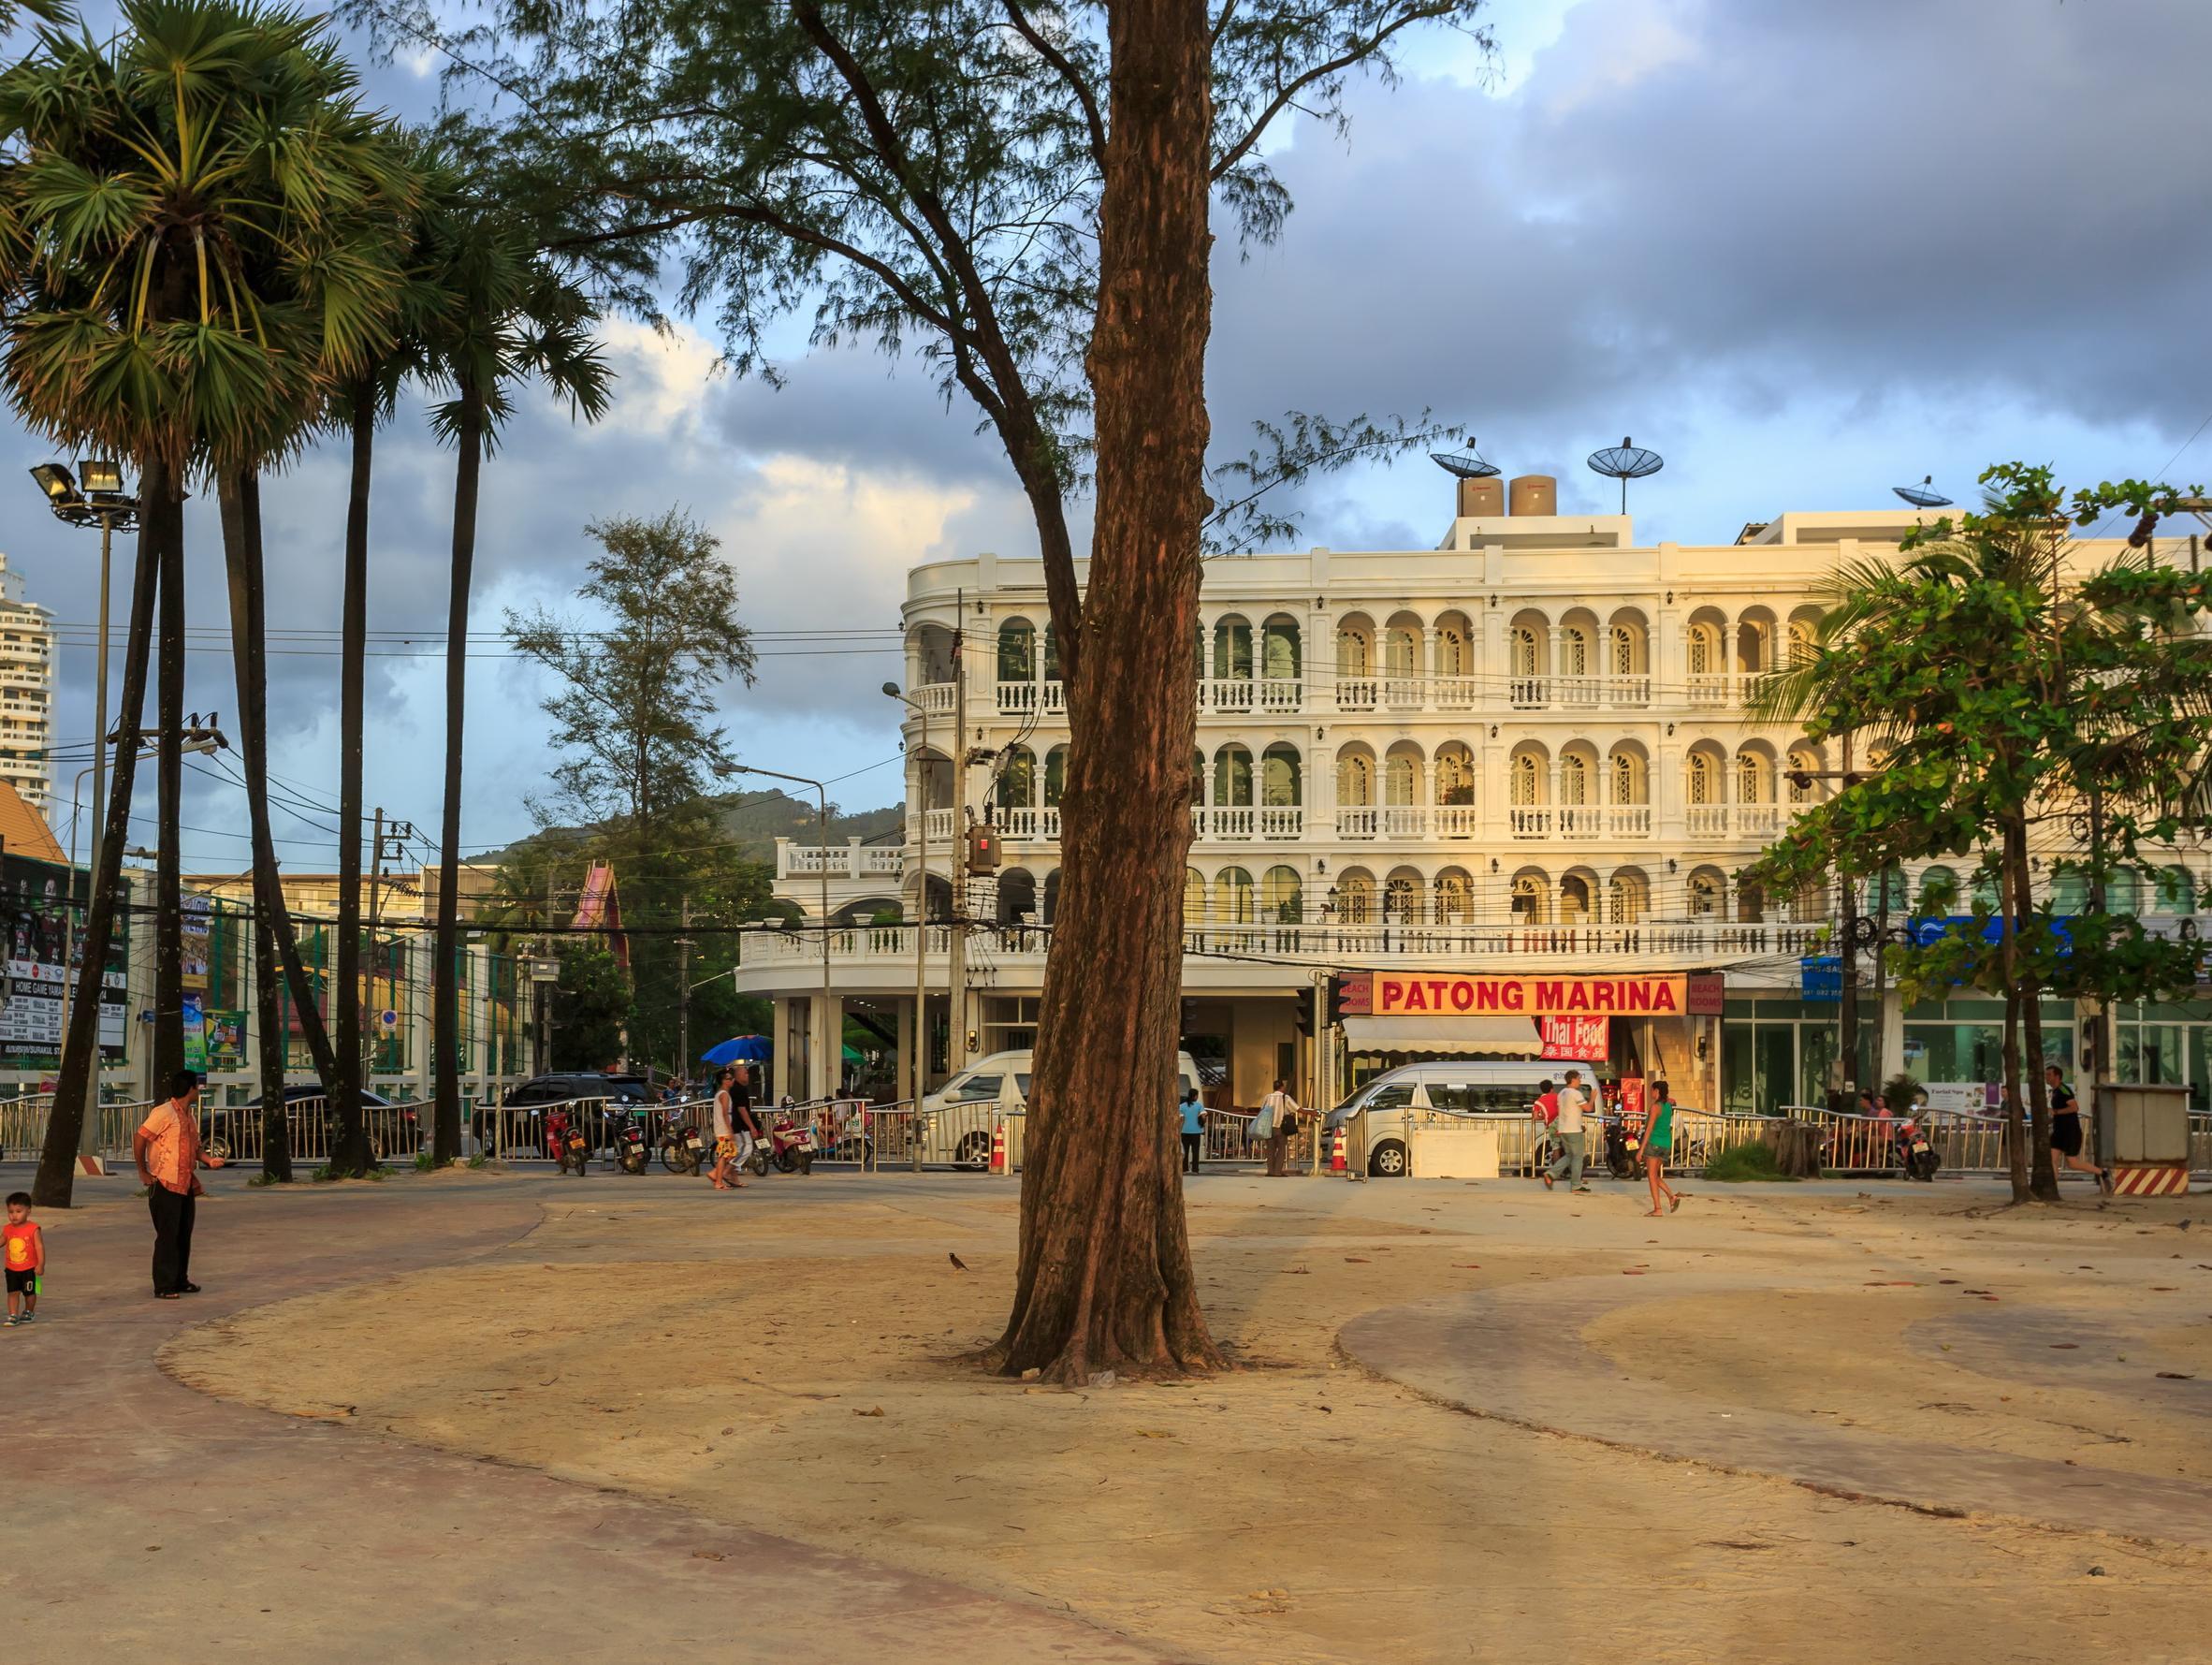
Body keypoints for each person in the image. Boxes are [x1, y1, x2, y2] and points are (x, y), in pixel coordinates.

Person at [134, 1070, 222, 1299]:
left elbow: (195, 1148)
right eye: (197, 1087)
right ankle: (163, 1285)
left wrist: (209, 1160)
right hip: (165, 1182)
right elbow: (140, 1137)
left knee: (184, 1233)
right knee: (167, 1235)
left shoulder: (189, 1116)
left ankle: (180, 1279)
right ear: (190, 1089)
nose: (199, 1091)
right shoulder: (163, 1113)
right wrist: (142, 1171)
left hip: (185, 1184)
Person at [2046, 1062, 2113, 1193]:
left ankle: (2103, 1173)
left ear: (2057, 1076)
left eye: (2049, 1075)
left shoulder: (2064, 1090)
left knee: (2072, 1162)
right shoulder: (2054, 1092)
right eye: (2045, 1075)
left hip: (2070, 1131)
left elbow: (2074, 1108)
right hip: (2058, 1131)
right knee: (2052, 1159)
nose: (2046, 1077)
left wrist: (2056, 1112)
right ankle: (2052, 1188)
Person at [1543, 1069, 1591, 1192]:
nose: (1580, 1081)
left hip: (1563, 1129)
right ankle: (1576, 1185)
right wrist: (1593, 1097)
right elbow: (1588, 1108)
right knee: (1578, 1157)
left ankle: (1551, 1174)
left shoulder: (1562, 1093)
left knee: (1570, 1155)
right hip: (1574, 1129)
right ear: (1573, 1079)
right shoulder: (1575, 1093)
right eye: (1579, 1079)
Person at [1642, 1079, 1682, 1217]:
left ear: (1657, 1091)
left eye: (1652, 1090)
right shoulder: (1668, 1106)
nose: (1650, 1092)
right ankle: (1672, 1197)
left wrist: (1641, 1150)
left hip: (1654, 1143)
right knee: (1654, 1175)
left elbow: (1649, 1129)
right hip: (1666, 1144)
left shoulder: (1656, 1107)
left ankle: (1658, 1208)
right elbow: (1671, 1101)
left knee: (1651, 1176)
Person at [4, 1190, 43, 1326]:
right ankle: (13, 1315)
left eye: (18, 1211)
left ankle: (28, 1311)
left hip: (30, 1269)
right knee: (12, 1292)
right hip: (11, 1268)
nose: (14, 1215)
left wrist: (41, 1264)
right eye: (11, 1211)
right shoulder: (7, 1229)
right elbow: (2, 1240)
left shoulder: (33, 1229)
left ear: (28, 1211)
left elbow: (39, 1247)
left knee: (29, 1293)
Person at [707, 1066, 748, 1190]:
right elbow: (725, 1113)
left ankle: (717, 1176)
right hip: (724, 1129)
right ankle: (718, 1181)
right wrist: (729, 1130)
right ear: (723, 1081)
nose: (732, 1081)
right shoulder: (724, 1094)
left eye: (732, 1078)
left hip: (723, 1128)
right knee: (724, 1156)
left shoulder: (723, 1093)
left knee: (729, 1154)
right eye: (729, 1079)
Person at [1259, 1079, 1302, 1177]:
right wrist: (1312, 1113)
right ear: (1282, 1087)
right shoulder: (1285, 1097)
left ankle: (1270, 1171)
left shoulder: (1267, 1097)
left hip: (1268, 1127)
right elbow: (1297, 1108)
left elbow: (1262, 1110)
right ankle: (1277, 1171)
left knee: (1270, 1150)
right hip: (1280, 1127)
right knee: (1281, 1150)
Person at [1529, 1078, 1558, 1179]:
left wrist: (1544, 1117)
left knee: (1556, 1149)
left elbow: (1535, 1117)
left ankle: (1556, 1172)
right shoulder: (1558, 1097)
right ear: (1552, 1089)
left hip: (1552, 1127)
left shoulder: (1538, 1102)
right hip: (1565, 1125)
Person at [1179, 1085, 1204, 1175]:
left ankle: (1184, 1168)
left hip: (1184, 1131)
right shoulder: (1199, 1106)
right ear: (1195, 1096)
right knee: (1195, 1151)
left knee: (1185, 1151)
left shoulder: (1182, 1106)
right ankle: (1195, 1169)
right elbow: (1203, 1116)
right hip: (1196, 1132)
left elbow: (1181, 1119)